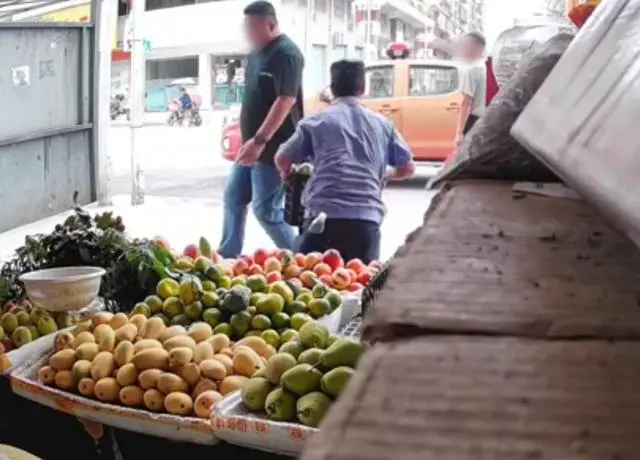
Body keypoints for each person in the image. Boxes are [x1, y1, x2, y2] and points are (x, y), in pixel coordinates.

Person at [274, 60, 415, 263]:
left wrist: (288, 174)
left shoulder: (315, 122)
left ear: (332, 89)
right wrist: (384, 174)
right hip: (366, 224)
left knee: (309, 285)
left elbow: (282, 158)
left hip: (322, 221)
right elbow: (408, 167)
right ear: (362, 88)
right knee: (360, 288)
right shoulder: (383, 124)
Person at [218, 0, 303, 258]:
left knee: (266, 211)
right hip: (251, 145)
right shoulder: (255, 54)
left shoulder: (287, 54)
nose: (249, 35)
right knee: (233, 198)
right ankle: (227, 257)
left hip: (273, 147)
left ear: (271, 24)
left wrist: (259, 140)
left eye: (253, 28)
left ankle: (303, 258)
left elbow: (285, 100)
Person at [455, 31, 487, 145]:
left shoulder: (473, 69)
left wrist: (459, 133)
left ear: (476, 47)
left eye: (465, 46)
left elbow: (465, 102)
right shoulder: (490, 67)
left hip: (475, 121)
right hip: (491, 120)